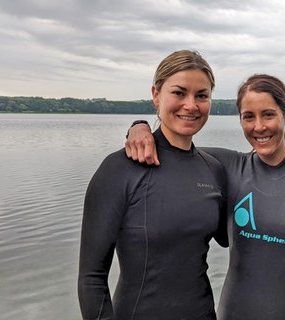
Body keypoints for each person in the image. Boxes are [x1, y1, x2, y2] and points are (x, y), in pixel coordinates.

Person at [126, 74, 285, 320]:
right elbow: (168, 151)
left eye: (268, 115)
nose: (259, 126)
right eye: (248, 116)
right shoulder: (226, 165)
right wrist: (139, 127)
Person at [78, 50, 228, 320]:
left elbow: (233, 239)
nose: (191, 105)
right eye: (179, 93)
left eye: (202, 95)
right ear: (156, 95)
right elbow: (92, 277)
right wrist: (137, 125)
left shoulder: (214, 168)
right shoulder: (120, 168)